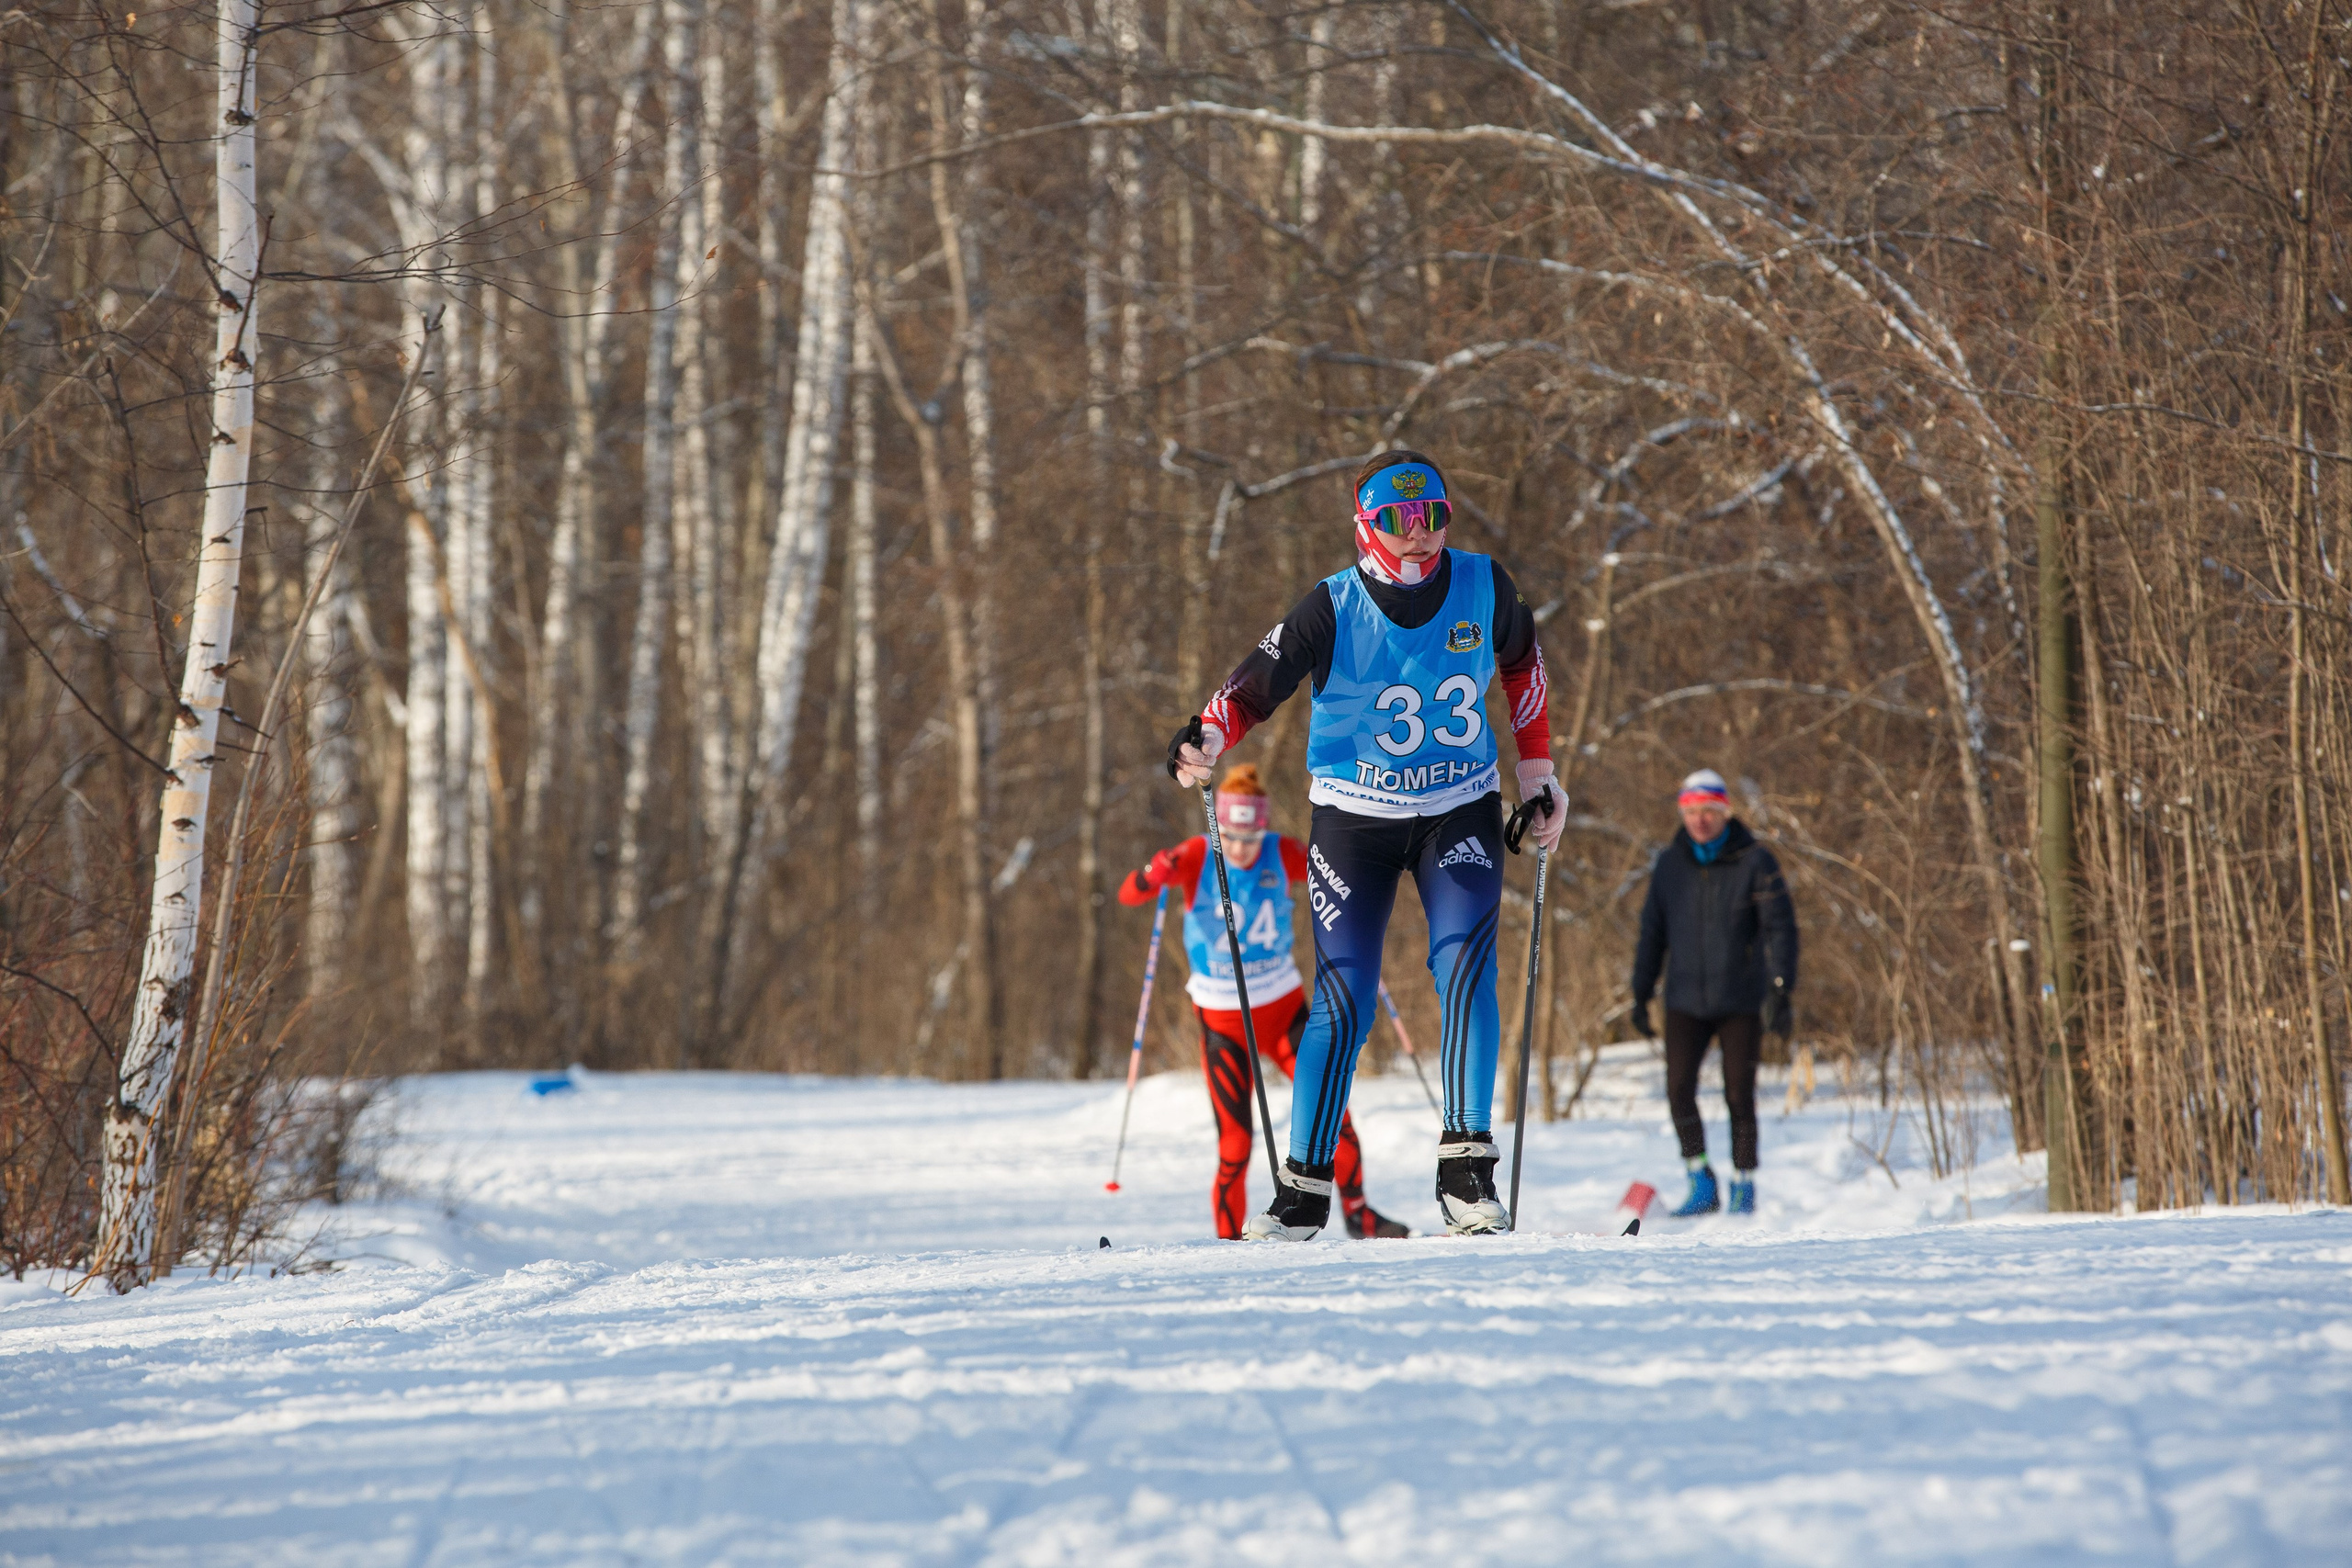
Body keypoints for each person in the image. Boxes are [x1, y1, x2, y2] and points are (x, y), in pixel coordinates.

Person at [1166, 450, 1563, 1240]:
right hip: (1355, 819)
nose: (1419, 533)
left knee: (1465, 967)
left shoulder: (1485, 584)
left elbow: (1523, 664)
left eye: (1433, 516)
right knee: (1343, 994)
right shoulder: (1334, 604)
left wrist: (1538, 770)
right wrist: (1204, 735)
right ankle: (1304, 1190)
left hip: (1458, 807)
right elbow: (1256, 683)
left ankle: (1466, 1173)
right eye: (1398, 519)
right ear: (1364, 526)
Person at [1118, 764, 1410, 1240]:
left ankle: (1359, 1215)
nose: (1241, 849)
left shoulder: (1281, 852)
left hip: (1284, 1013)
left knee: (1337, 1120)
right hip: (1223, 1026)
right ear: (1219, 827)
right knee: (1234, 1146)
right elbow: (1130, 893)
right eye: (1232, 837)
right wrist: (1156, 872)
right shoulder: (1198, 854)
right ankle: (1228, 1242)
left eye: (1251, 838)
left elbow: (1334, 874)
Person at [1628, 769, 1799, 1216]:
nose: (1700, 821)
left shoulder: (1755, 862)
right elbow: (1652, 933)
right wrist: (1640, 992)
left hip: (1740, 997)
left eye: (1708, 811)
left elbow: (1781, 928)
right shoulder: (1670, 865)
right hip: (1684, 999)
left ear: (1725, 812)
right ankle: (1699, 1179)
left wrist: (1781, 989)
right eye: (1691, 812)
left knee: (1739, 1094)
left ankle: (1744, 1184)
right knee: (1678, 1089)